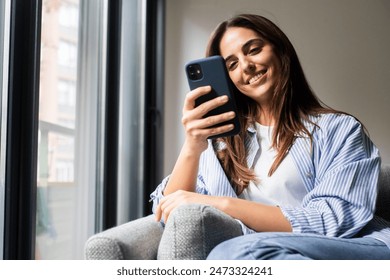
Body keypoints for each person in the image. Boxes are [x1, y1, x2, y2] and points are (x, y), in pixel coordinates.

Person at [150, 14, 390, 260]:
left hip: (356, 247)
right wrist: (192, 146)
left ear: (280, 50)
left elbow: (333, 219)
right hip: (266, 256)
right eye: (231, 65)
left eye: (253, 50)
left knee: (234, 251)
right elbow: (168, 213)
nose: (246, 66)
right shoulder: (222, 146)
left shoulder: (339, 130)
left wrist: (222, 204)